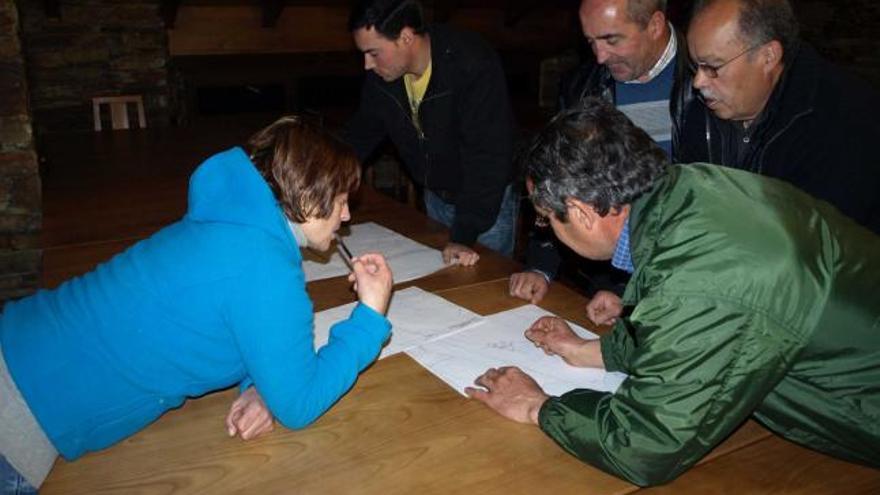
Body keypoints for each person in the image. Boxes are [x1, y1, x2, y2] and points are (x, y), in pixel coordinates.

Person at [467, 99, 880, 486]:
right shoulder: (691, 188)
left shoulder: (702, 278)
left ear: (579, 212)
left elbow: (644, 445)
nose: (548, 231)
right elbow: (676, 317)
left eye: (545, 220)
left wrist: (537, 406)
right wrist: (594, 352)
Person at [0, 117, 394, 493]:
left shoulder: (232, 223)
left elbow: (223, 317)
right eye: (342, 200)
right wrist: (370, 316)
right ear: (307, 194)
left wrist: (261, 385)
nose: (345, 216)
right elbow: (300, 403)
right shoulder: (261, 265)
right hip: (18, 418)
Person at [509, 0, 695, 304]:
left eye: (611, 39)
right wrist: (541, 267)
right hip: (611, 273)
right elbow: (558, 178)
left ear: (655, 25)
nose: (599, 56)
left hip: (688, 269)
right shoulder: (583, 84)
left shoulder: (708, 78)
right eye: (591, 41)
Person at [678, 0, 880, 234]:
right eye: (696, 66)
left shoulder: (844, 123)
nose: (698, 82)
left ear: (768, 56)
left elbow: (818, 247)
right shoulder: (700, 112)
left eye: (712, 67)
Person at [344, 0, 517, 266]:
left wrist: (464, 233)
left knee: (485, 289)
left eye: (374, 53)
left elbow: (488, 157)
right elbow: (360, 136)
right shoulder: (382, 76)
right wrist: (325, 180)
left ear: (405, 37)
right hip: (436, 197)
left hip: (486, 205)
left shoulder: (471, 62)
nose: (367, 64)